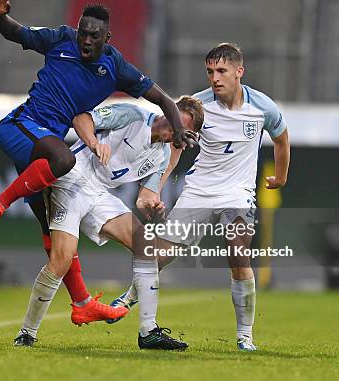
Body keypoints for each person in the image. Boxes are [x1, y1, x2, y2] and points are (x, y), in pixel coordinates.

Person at [0, 0, 197, 322]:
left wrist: (178, 133)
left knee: (53, 241)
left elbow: (164, 98)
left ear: (108, 36)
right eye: (83, 33)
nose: (86, 41)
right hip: (24, 125)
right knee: (64, 160)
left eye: (94, 36)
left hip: (46, 147)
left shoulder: (116, 66)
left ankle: (80, 302)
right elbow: (14, 32)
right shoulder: (61, 40)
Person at [110, 43, 291, 352]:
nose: (214, 78)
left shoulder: (262, 107)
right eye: (210, 72)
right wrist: (155, 186)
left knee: (238, 255)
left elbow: (281, 139)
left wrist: (281, 176)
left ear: (239, 72)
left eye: (221, 71)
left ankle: (245, 336)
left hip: (238, 194)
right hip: (199, 191)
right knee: (158, 255)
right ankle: (129, 297)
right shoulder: (198, 106)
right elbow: (175, 146)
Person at [13, 97, 204, 349]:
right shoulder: (131, 115)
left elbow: (144, 197)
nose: (171, 128)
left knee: (147, 248)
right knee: (61, 259)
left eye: (179, 129)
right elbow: (81, 119)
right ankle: (27, 332)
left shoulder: (162, 155)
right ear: (168, 110)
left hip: (99, 194)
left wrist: (152, 204)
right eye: (173, 120)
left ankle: (148, 332)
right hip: (71, 179)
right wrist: (93, 143)